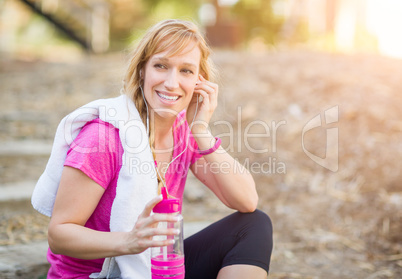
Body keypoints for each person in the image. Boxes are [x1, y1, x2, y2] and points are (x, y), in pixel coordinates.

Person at [32, 19, 273, 278]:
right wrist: (129, 241)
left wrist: (201, 130)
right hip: (102, 274)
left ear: (198, 82)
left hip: (156, 267)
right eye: (161, 65)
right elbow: (59, 234)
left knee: (254, 225)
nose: (172, 82)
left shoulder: (183, 131)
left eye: (186, 71)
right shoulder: (103, 139)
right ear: (142, 70)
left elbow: (246, 201)